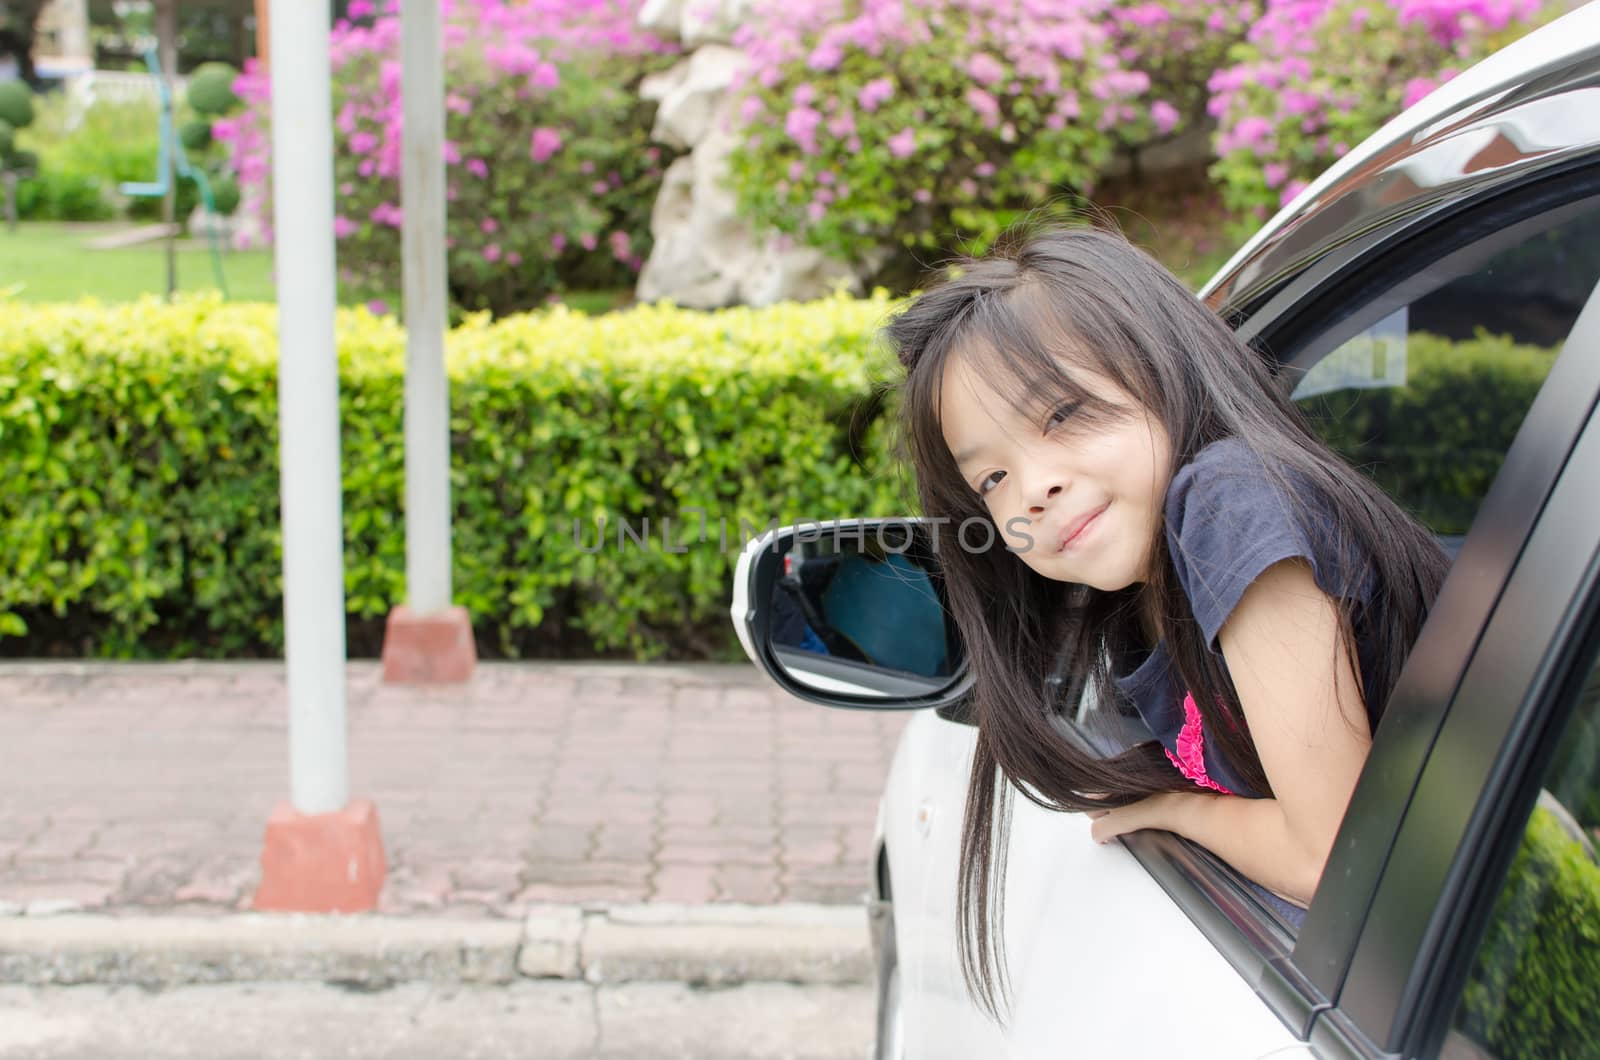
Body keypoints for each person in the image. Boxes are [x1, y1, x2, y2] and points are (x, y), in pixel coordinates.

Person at [881, 223, 1450, 1016]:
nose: (1032, 488)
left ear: (1165, 364)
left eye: (1063, 414)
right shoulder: (1141, 601)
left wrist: (1178, 811)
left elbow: (1333, 858)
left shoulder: (1225, 498)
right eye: (993, 477)